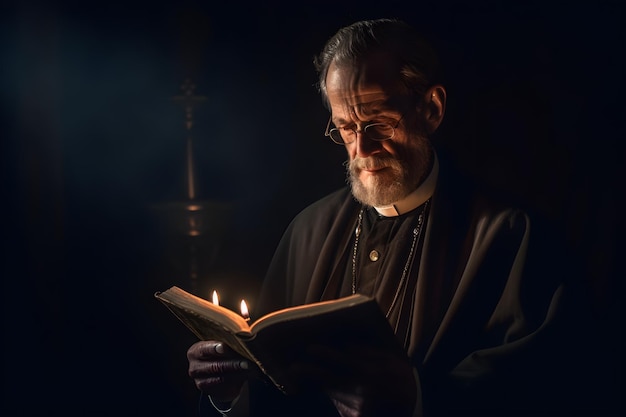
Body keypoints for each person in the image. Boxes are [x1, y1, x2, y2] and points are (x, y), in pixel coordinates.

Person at [186, 18, 594, 416]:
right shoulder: (307, 230)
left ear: (431, 109)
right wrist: (231, 394)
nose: (362, 149)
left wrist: (414, 399)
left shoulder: (510, 235)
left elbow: (542, 383)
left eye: (378, 123)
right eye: (346, 128)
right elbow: (275, 388)